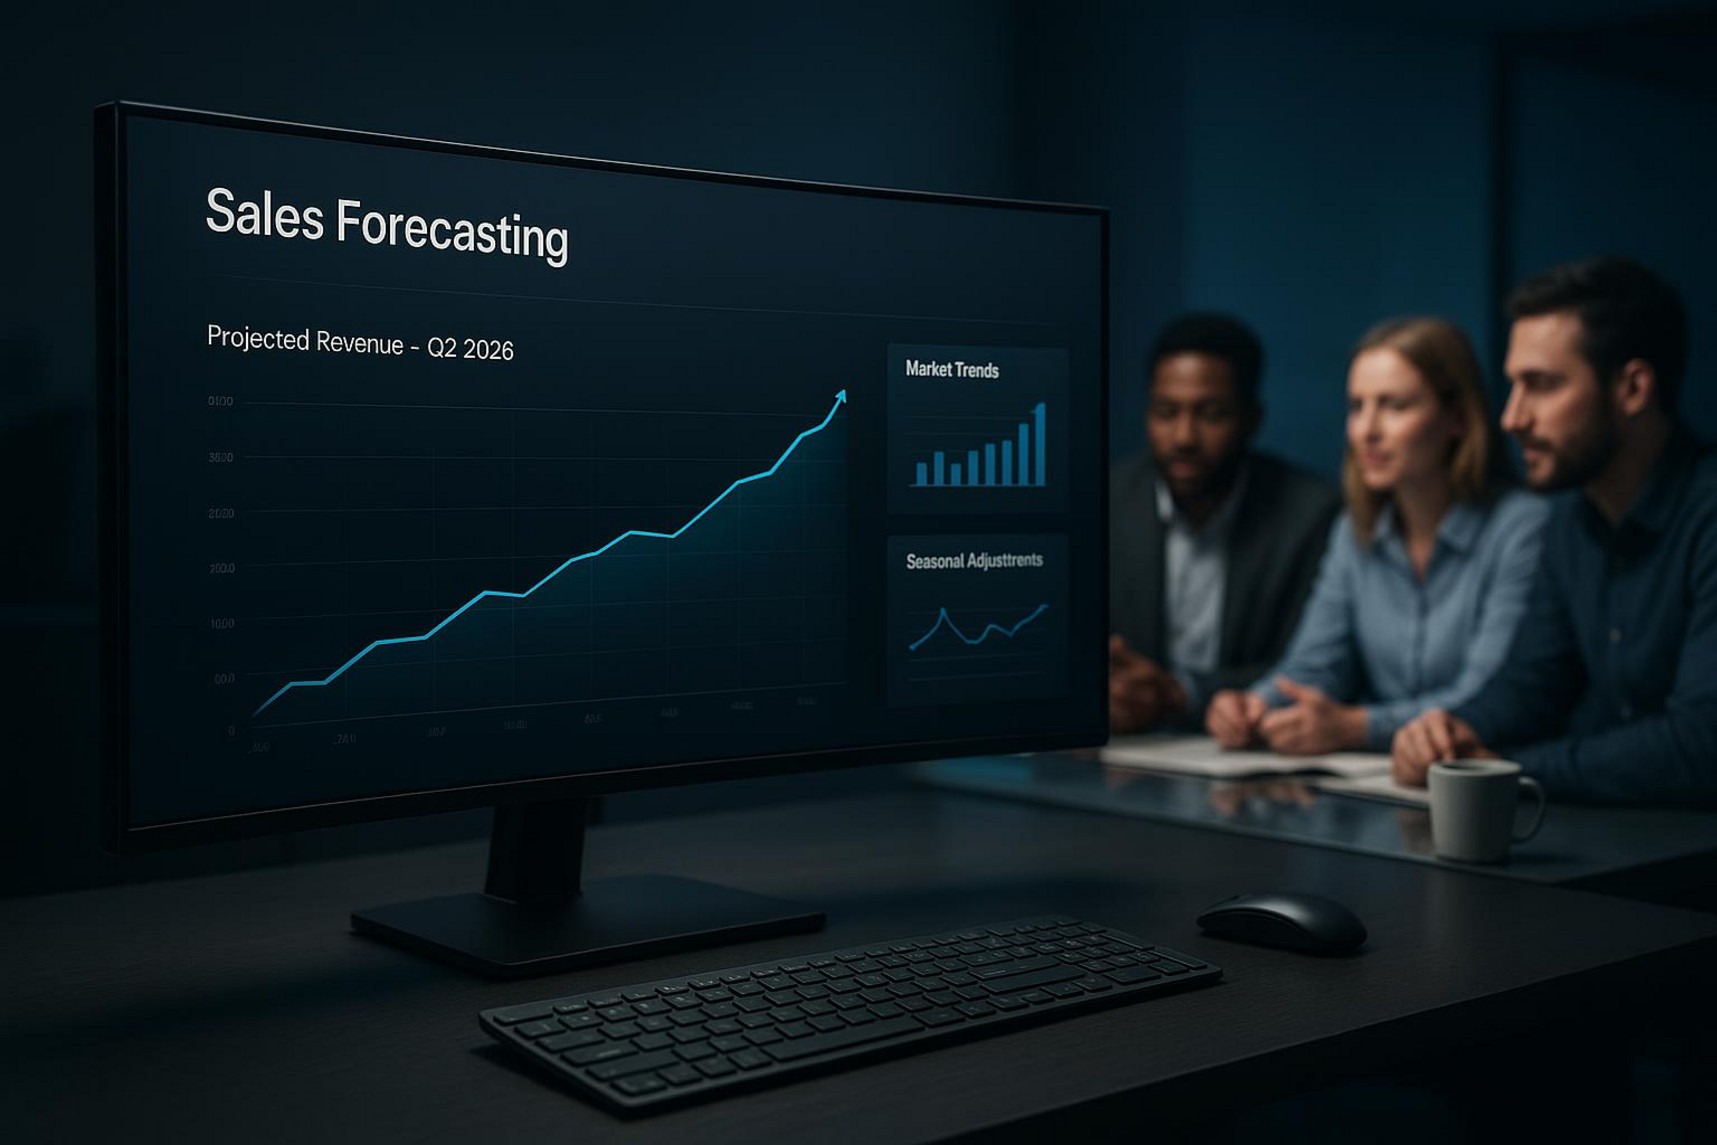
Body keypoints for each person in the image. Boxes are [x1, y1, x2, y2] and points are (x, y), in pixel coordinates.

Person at [1392, 257, 1717, 803]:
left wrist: (1508, 770)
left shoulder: (1706, 512)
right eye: (1513, 386)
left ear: (1633, 389)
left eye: (1540, 385)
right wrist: (1452, 731)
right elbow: (1532, 684)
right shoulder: (1569, 518)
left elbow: (1701, 745)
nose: (1512, 418)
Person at [1204, 317, 1549, 754]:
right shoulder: (1354, 531)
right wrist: (1252, 705)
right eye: (1356, 407)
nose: (1367, 430)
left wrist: (1357, 727)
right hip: (1384, 788)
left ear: (1458, 418)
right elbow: (1314, 665)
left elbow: (1488, 695)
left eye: (1394, 406)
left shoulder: (1520, 527)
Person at [1110, 313, 1340, 732]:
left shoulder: (1310, 514)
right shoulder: (1106, 502)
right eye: (1165, 412)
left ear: (1252, 419)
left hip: (1248, 751)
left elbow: (1309, 666)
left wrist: (1176, 694)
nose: (1183, 437)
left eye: (1211, 414)